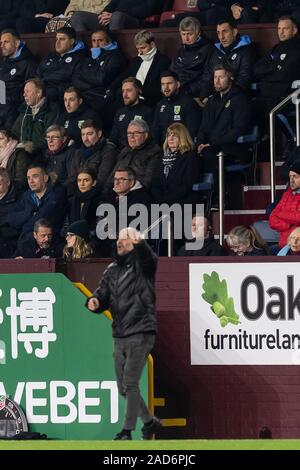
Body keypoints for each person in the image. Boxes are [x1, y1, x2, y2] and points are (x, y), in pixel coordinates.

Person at [86, 227, 161, 440]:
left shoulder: (143, 266)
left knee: (129, 382)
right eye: (119, 238)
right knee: (123, 387)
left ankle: (127, 431)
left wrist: (141, 244)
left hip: (141, 331)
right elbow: (102, 293)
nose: (120, 241)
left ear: (134, 242)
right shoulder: (111, 269)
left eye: (125, 238)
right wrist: (95, 301)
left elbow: (149, 259)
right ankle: (149, 422)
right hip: (119, 333)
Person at [151, 123, 202, 206]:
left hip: (184, 202)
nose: (170, 138)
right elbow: (155, 182)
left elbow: (187, 185)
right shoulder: (161, 157)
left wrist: (165, 200)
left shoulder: (191, 157)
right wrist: (159, 199)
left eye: (175, 135)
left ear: (182, 138)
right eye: (168, 135)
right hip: (162, 202)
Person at [269, 160, 300, 247]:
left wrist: (280, 213)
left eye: (295, 176)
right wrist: (289, 224)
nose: (291, 180)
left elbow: (298, 218)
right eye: (290, 176)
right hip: (284, 244)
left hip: (297, 245)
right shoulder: (286, 194)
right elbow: (272, 220)